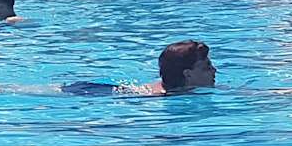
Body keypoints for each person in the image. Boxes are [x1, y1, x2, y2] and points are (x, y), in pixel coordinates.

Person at [62, 41, 216, 97]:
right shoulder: (157, 96)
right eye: (207, 68)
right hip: (94, 91)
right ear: (188, 74)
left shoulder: (182, 88)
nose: (214, 71)